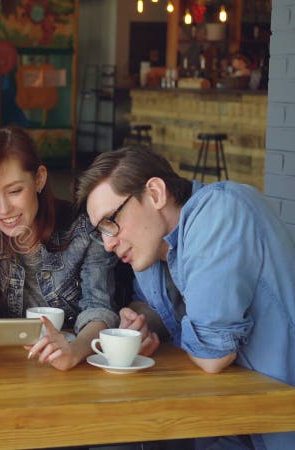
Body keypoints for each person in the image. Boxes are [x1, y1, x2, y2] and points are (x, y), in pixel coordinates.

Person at [76, 147, 295, 449]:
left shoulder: (219, 212)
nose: (109, 244)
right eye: (100, 231)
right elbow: (151, 306)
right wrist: (141, 324)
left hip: (279, 422)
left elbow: (213, 357)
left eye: (111, 221)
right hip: (226, 420)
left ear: (154, 193)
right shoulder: (150, 249)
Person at [0, 127, 119, 370]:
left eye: (15, 191)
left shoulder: (83, 229)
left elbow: (99, 310)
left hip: (75, 373)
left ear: (39, 179)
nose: (3, 209)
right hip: (6, 370)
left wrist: (73, 351)